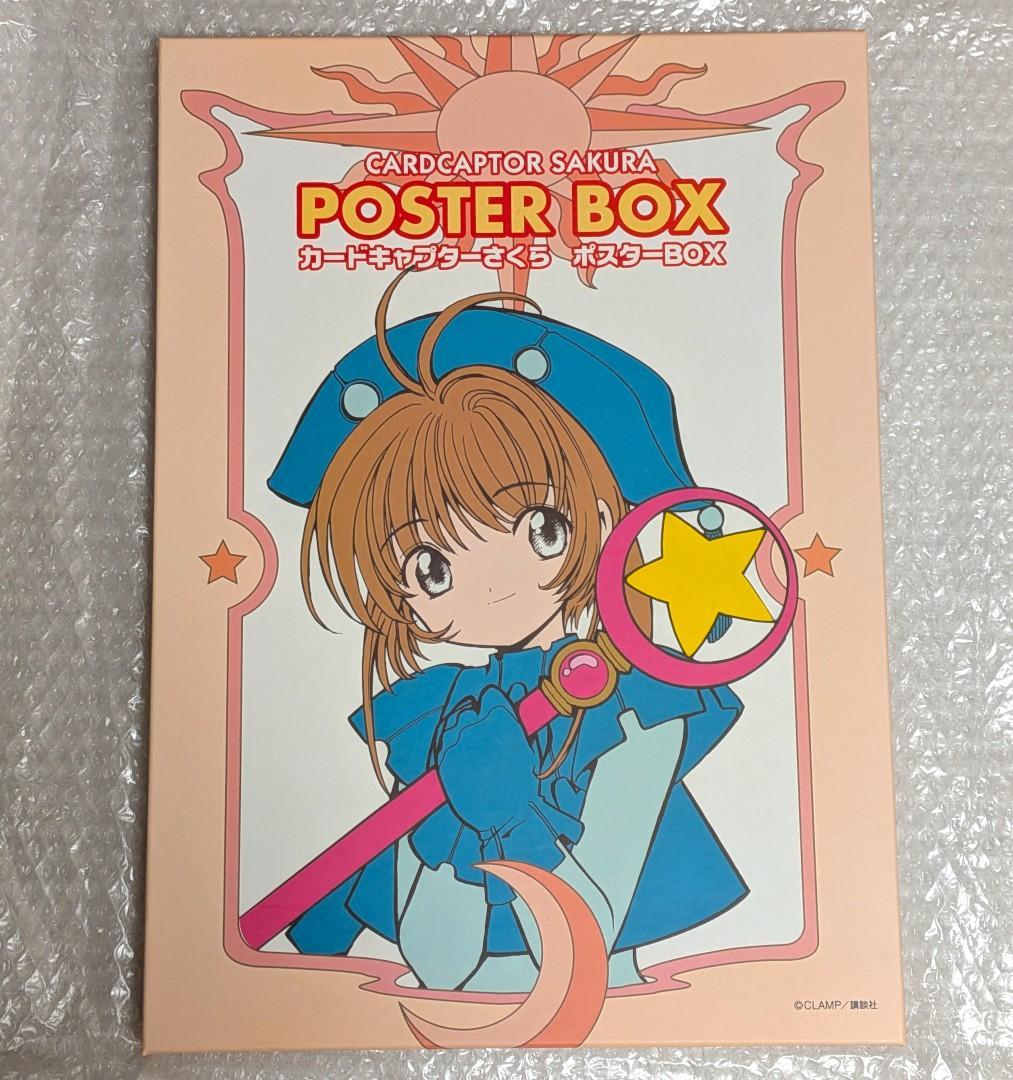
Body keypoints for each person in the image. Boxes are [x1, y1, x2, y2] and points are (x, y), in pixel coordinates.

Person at [267, 272, 747, 990]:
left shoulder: (637, 708)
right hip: (440, 1019)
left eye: (540, 527)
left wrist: (509, 817)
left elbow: (580, 947)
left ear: (605, 517)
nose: (492, 581)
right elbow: (438, 960)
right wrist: (452, 828)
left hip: (620, 1015)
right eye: (430, 566)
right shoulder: (435, 715)